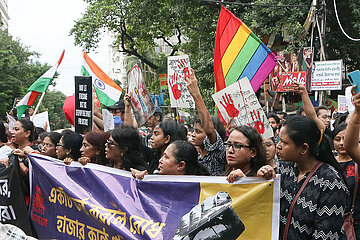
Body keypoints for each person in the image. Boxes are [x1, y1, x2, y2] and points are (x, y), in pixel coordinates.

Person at [259, 115, 349, 239]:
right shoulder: (284, 169)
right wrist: (255, 178)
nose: (278, 146)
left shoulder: (331, 182)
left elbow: (326, 234)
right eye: (278, 140)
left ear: (304, 148)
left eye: (284, 142)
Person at [187, 69, 226, 176]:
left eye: (198, 131)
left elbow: (209, 130)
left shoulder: (217, 152)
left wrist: (196, 95)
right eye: (194, 131)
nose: (193, 135)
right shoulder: (196, 155)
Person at [132, 140, 209, 179]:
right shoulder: (156, 177)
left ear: (181, 165)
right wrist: (146, 180)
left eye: (166, 157)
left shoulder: (198, 188)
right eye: (162, 156)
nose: (160, 161)